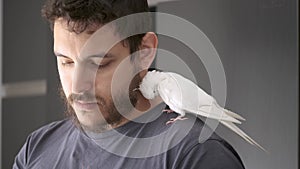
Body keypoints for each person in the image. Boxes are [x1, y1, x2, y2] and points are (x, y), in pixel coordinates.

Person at [13, 0, 245, 168]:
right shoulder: (37, 148)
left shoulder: (195, 155)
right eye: (66, 62)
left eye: (99, 63)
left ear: (144, 52)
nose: (78, 86)